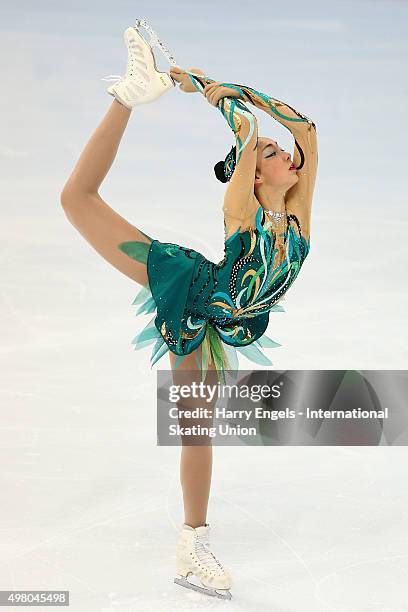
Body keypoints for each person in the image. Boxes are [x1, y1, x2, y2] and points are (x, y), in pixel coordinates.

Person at [60, 22, 318, 601]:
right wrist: (203, 89)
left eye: (281, 152)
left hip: (226, 317)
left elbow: (306, 127)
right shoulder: (241, 213)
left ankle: (189, 543)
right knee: (76, 200)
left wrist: (215, 83)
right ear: (254, 174)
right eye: (273, 154)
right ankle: (126, 96)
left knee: (196, 432)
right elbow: (249, 132)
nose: (288, 152)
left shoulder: (297, 216)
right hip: (191, 295)